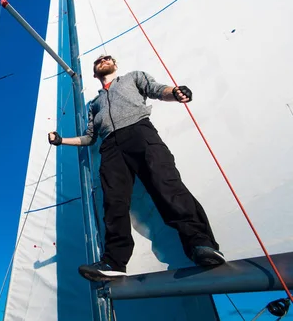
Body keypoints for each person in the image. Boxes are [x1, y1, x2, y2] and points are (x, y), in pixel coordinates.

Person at [48, 54, 224, 282]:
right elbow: (90, 138)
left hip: (140, 132)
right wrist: (62, 141)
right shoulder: (94, 104)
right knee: (113, 202)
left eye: (108, 58)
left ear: (115, 65)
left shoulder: (133, 77)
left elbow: (156, 89)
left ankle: (201, 244)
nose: (104, 60)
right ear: (94, 72)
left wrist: (177, 92)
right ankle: (114, 261)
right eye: (99, 60)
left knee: (167, 186)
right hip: (109, 145)